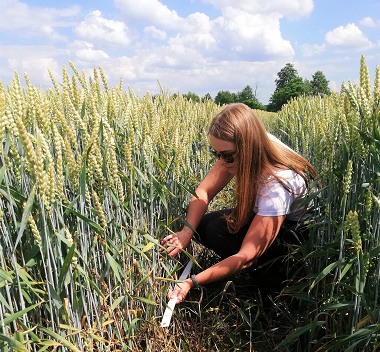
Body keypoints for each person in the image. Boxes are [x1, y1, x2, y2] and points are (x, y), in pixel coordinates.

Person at [160, 103, 316, 304]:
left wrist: (191, 282)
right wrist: (186, 232)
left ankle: (276, 288)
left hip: (297, 235)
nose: (221, 162)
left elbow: (246, 256)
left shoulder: (277, 185)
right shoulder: (249, 146)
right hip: (270, 216)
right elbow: (204, 191)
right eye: (216, 154)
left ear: (248, 147)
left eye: (226, 156)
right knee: (202, 226)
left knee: (219, 233)